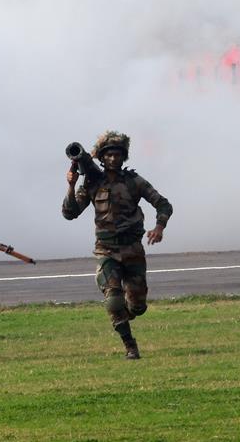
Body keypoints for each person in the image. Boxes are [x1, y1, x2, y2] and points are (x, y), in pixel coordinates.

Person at [62, 131, 172, 360]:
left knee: (138, 307)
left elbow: (163, 204)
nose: (113, 159)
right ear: (102, 158)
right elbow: (70, 213)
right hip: (106, 251)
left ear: (124, 157)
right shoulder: (92, 183)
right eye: (109, 155)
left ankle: (125, 314)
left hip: (132, 250)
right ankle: (130, 346)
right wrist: (71, 186)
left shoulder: (134, 182)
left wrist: (159, 227)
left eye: (117, 155)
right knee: (113, 300)